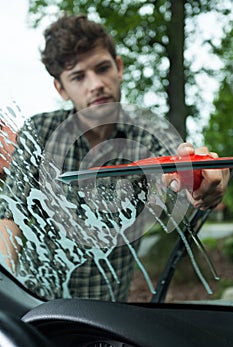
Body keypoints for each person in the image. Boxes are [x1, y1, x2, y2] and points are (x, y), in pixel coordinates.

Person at [0, 14, 230, 302]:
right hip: (38, 305)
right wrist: (6, 291)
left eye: (102, 68)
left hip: (111, 309)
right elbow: (9, 217)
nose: (95, 84)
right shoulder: (40, 131)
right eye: (78, 76)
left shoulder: (148, 134)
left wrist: (204, 180)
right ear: (60, 88)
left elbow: (180, 180)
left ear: (118, 67)